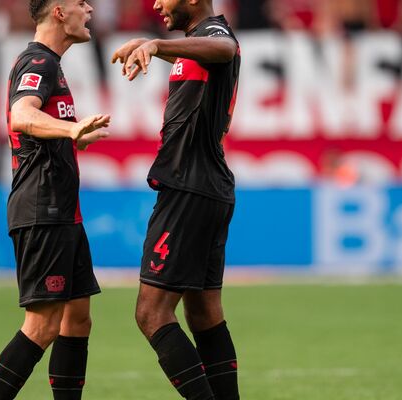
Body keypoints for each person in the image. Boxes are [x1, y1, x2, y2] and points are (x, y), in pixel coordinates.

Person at [111, 0, 241, 399]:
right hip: (207, 187)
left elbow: (226, 49)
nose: (155, 4)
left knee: (151, 313)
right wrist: (161, 49)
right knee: (202, 313)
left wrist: (156, 45)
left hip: (189, 189)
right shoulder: (194, 45)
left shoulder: (214, 35)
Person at [0, 0, 110, 399]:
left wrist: (75, 136)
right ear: (59, 12)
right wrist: (71, 132)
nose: (89, 9)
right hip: (43, 209)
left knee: (78, 319)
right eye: (80, 3)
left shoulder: (50, 64)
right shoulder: (38, 62)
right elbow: (21, 115)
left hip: (63, 212)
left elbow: (37, 131)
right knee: (41, 327)